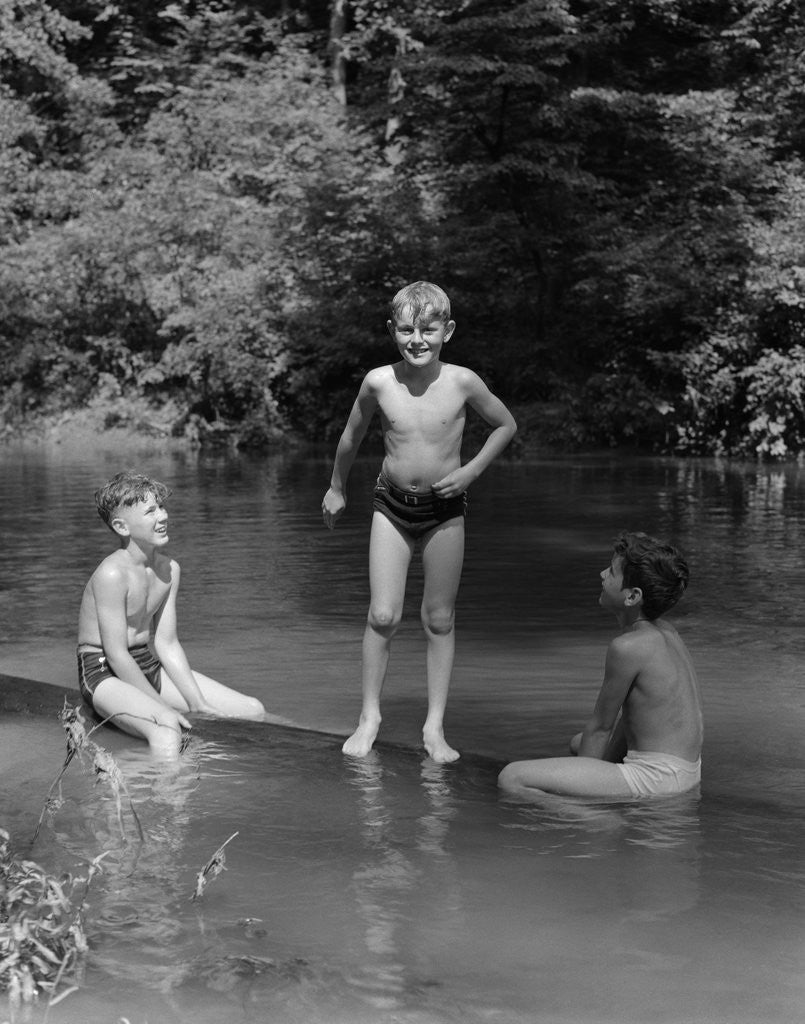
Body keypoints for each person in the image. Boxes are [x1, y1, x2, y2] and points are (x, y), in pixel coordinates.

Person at [322, 281, 517, 762]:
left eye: (428, 330)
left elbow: (506, 425)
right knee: (382, 614)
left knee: (439, 617)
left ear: (447, 331)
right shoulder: (378, 382)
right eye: (406, 330)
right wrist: (336, 487)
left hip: (444, 510)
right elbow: (351, 437)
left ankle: (434, 728)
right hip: (390, 504)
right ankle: (369, 718)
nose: (417, 340)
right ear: (392, 330)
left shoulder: (463, 382)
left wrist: (470, 472)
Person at [498, 531, 703, 799]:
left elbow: (601, 727)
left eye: (612, 572)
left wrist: (579, 786)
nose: (602, 574)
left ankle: (597, 820)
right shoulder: (665, 632)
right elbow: (626, 719)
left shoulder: (627, 647)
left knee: (512, 778)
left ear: (632, 596)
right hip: (685, 772)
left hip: (658, 779)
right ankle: (601, 796)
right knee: (577, 743)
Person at [77, 471, 266, 757]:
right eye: (150, 511)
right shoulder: (112, 573)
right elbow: (116, 654)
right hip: (103, 671)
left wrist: (197, 702)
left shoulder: (169, 570)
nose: (162, 516)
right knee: (167, 726)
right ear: (122, 526)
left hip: (145, 664)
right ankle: (168, 800)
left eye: (162, 507)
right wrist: (161, 707)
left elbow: (167, 644)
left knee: (252, 710)